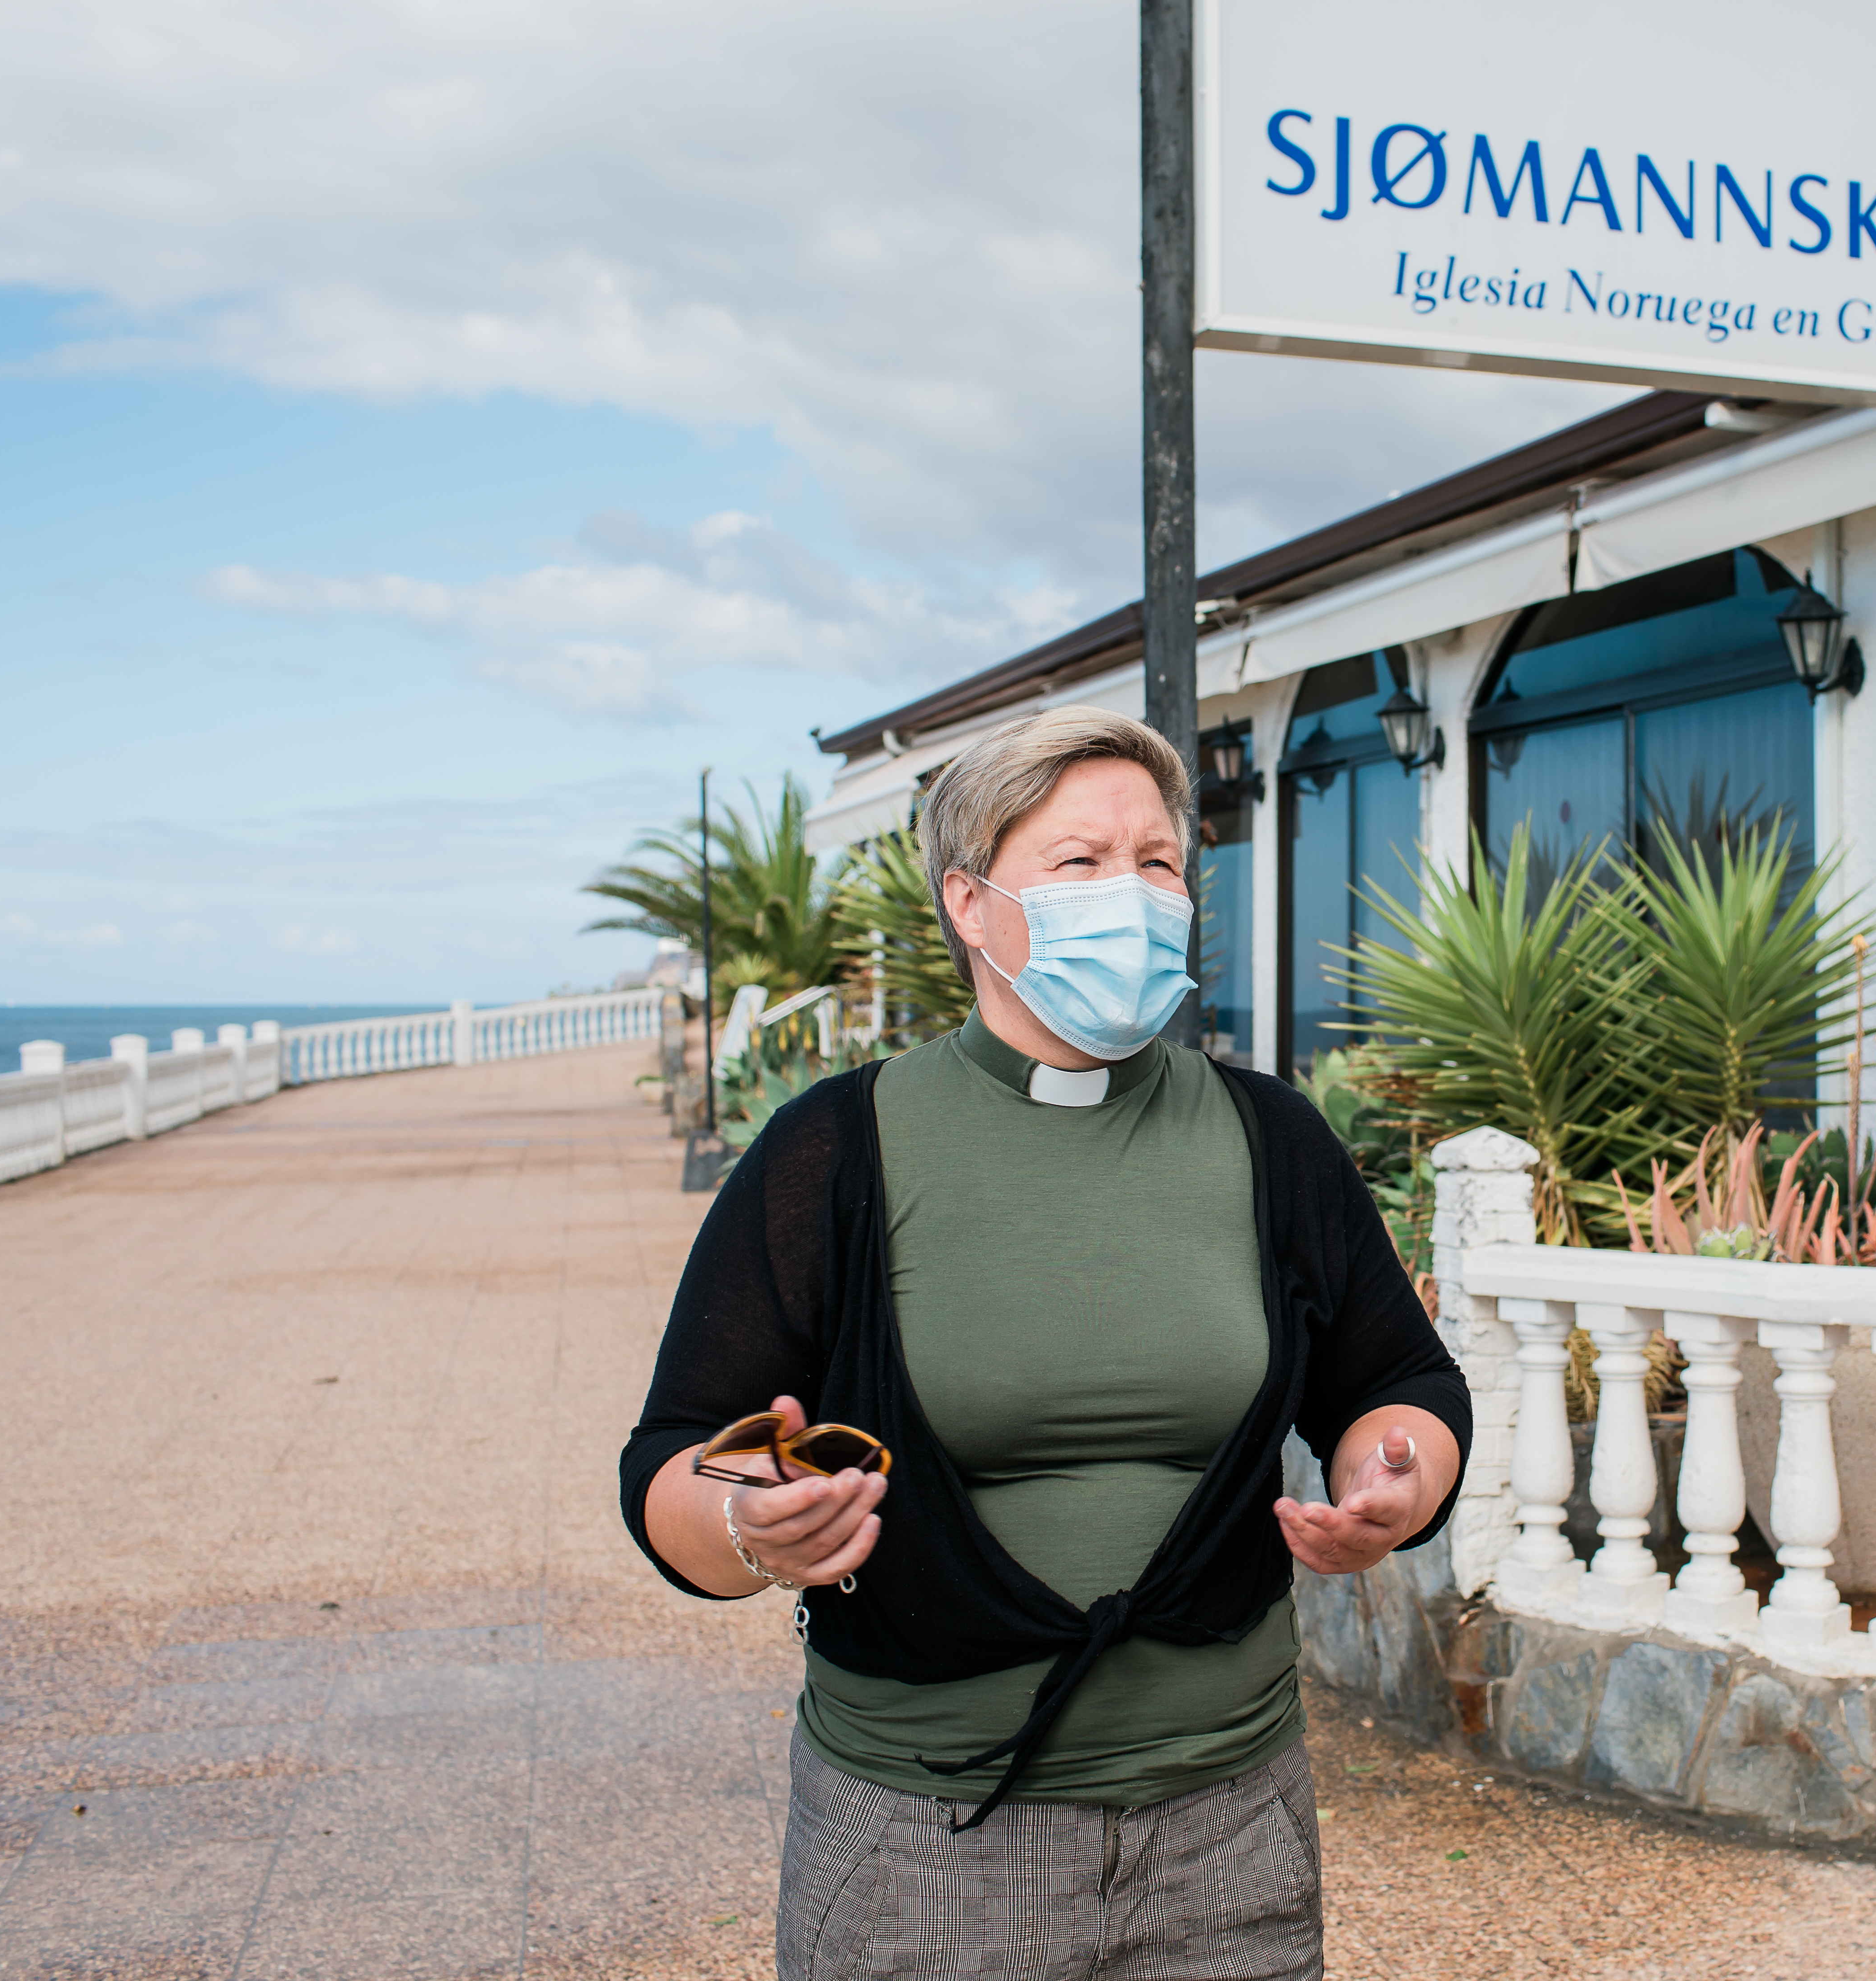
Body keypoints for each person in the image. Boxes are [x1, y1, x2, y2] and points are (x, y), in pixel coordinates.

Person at [619, 707, 1469, 1981]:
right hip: (926, 1842)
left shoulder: (1270, 1142)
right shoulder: (833, 1153)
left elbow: (1396, 1384)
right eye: (1078, 863)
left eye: (1159, 862)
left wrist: (1392, 1483)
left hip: (1233, 1826)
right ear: (971, 903)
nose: (1131, 895)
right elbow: (672, 1456)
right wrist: (749, 1530)